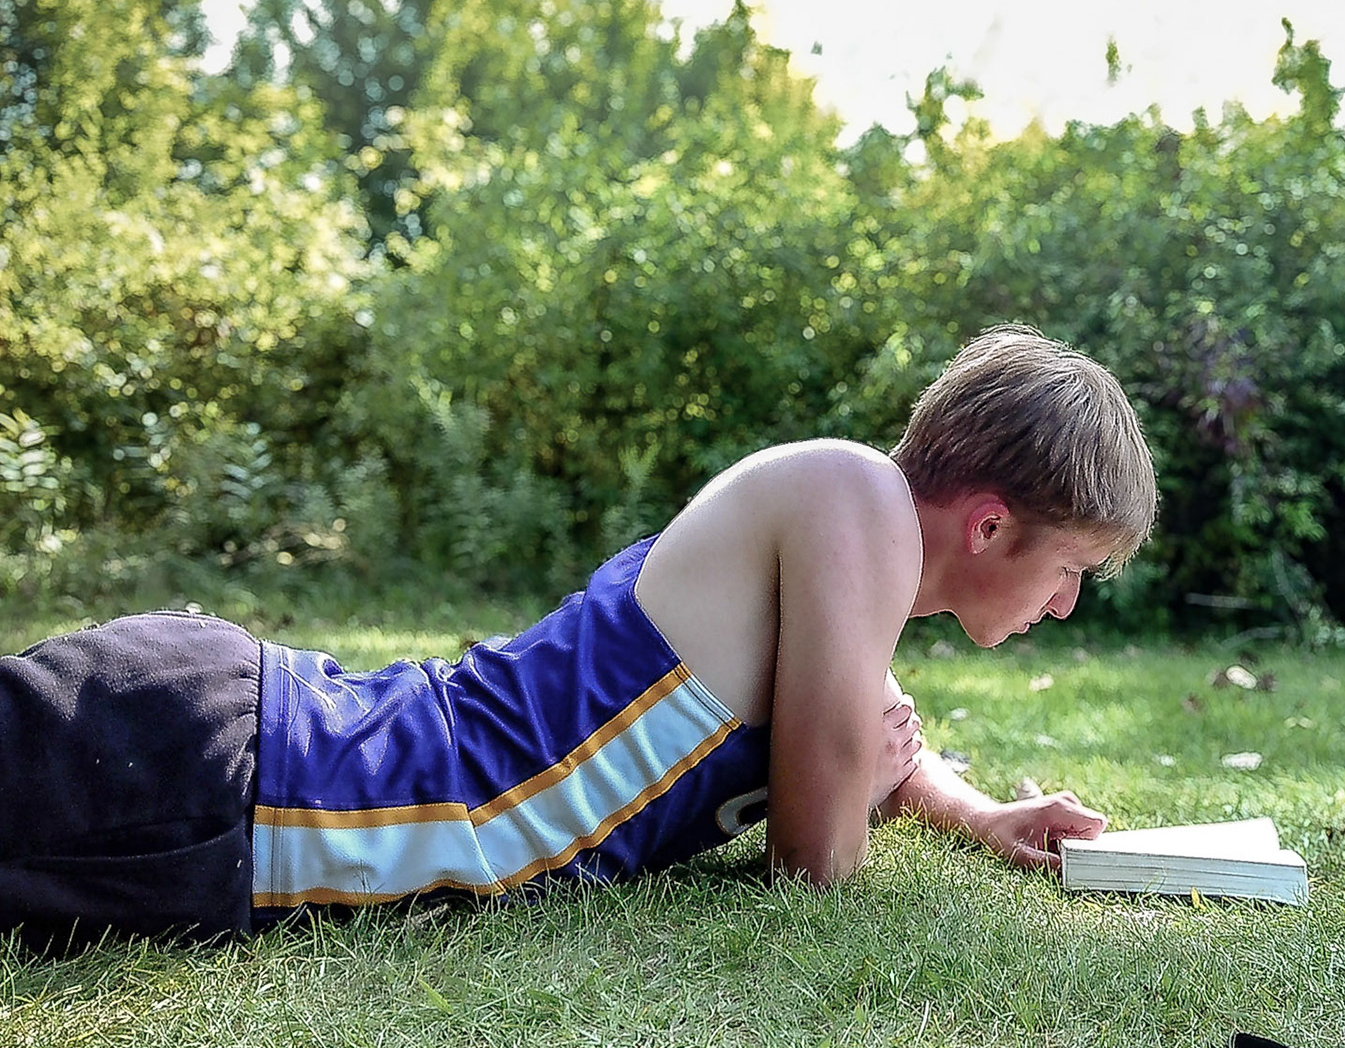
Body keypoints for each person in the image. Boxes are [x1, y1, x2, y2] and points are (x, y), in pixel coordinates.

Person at [0, 325, 1157, 950]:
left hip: (232, 790)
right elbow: (822, 858)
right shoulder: (850, 495)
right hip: (231, 770)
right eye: (1073, 572)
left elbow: (880, 742)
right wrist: (866, 776)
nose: (1067, 605)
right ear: (991, 523)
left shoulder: (847, 575)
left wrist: (979, 812)